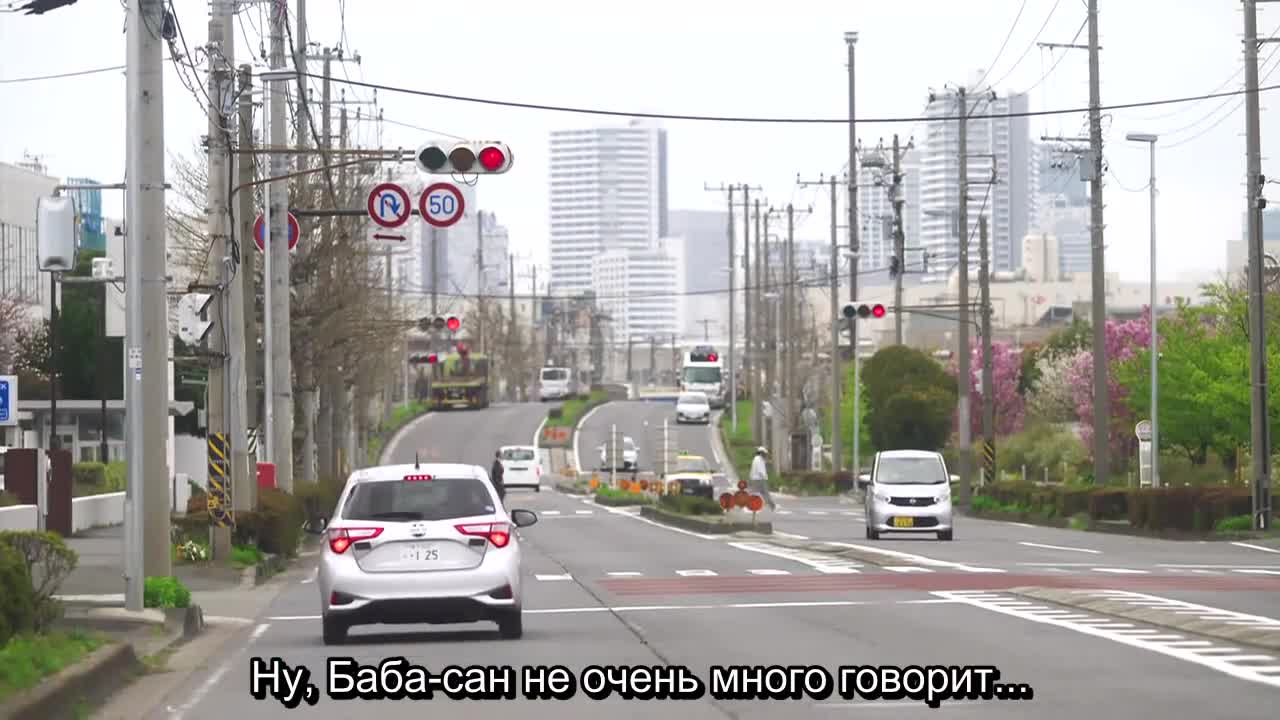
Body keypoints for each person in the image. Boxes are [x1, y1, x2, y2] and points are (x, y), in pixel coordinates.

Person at [749, 446, 776, 511]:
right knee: (764, 493)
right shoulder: (759, 460)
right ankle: (771, 505)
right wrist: (765, 477)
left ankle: (752, 505)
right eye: (764, 454)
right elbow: (760, 470)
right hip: (760, 479)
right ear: (761, 453)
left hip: (755, 479)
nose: (765, 455)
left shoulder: (756, 459)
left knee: (755, 493)